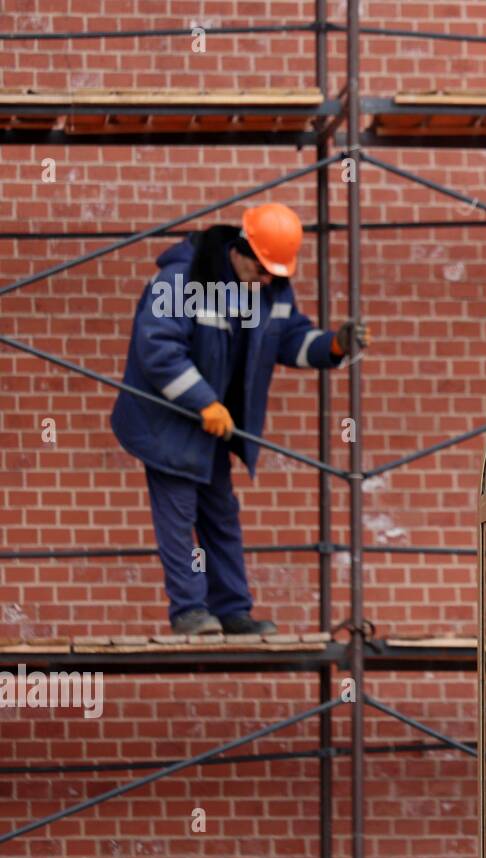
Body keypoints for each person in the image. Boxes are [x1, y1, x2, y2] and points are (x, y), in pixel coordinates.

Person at [110, 202, 370, 636]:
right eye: (262, 269)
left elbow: (289, 339)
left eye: (275, 273)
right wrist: (204, 402)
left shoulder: (269, 288)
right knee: (178, 518)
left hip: (214, 427)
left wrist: (333, 346)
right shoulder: (182, 279)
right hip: (168, 425)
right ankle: (190, 612)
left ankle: (232, 610)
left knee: (222, 517)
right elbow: (158, 350)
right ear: (241, 249)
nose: (268, 279)